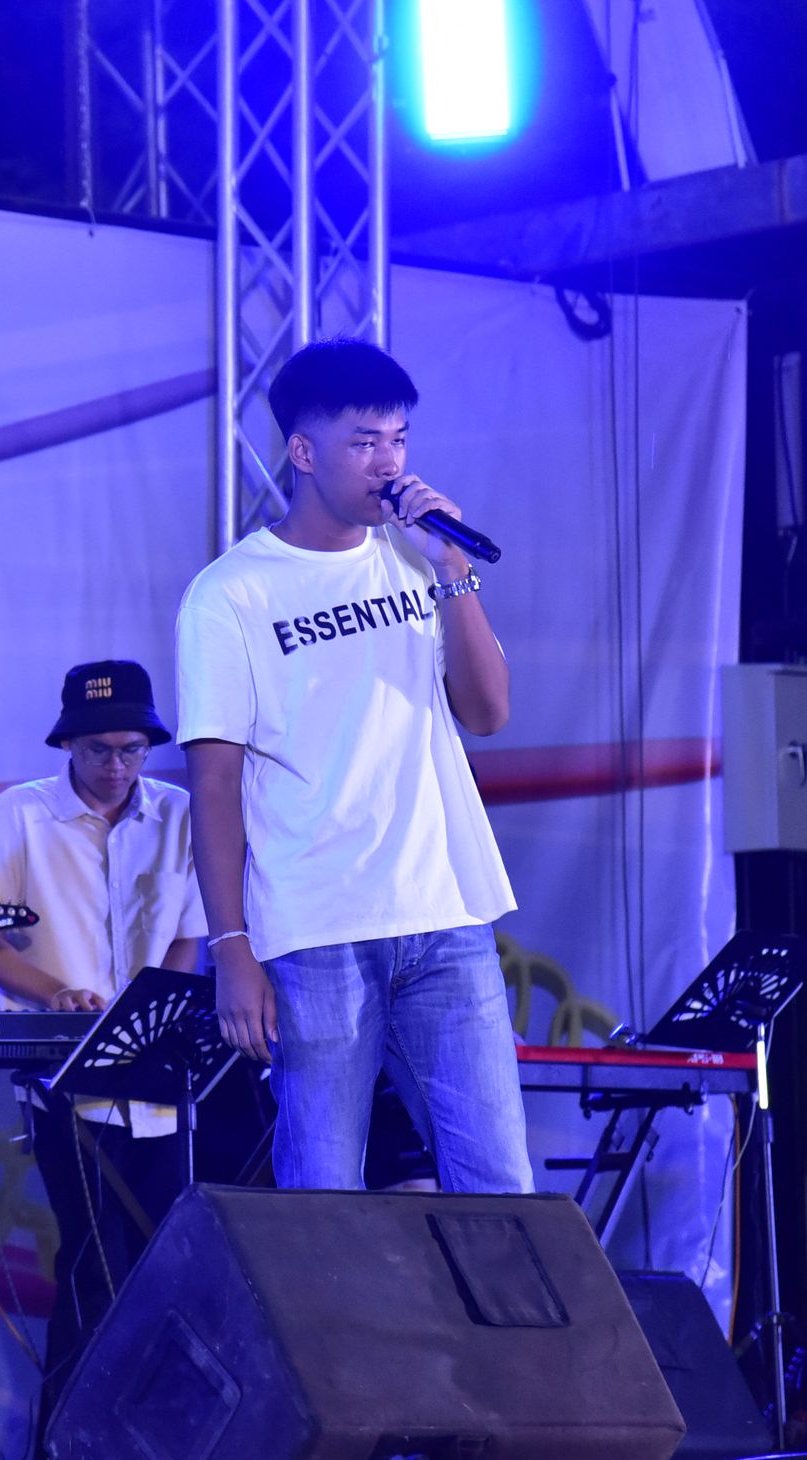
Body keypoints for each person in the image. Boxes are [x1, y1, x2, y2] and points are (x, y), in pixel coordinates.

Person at [175, 338, 532, 1195]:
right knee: (323, 1190)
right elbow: (214, 785)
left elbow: (488, 712)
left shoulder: (418, 558)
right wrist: (232, 949)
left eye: (399, 439)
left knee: (499, 1184)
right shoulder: (231, 593)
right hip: (315, 930)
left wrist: (452, 566)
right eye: (365, 441)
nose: (389, 462)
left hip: (443, 914)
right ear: (304, 452)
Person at [0, 660, 205, 1426]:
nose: (116, 766)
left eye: (132, 750)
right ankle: (71, 1437)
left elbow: (188, 937)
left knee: (166, 1258)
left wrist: (156, 1010)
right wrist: (55, 993)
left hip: (155, 1061)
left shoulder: (179, 812)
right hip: (62, 1065)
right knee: (94, 1260)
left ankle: (153, 1432)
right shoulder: (19, 814)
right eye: (99, 750)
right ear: (68, 744)